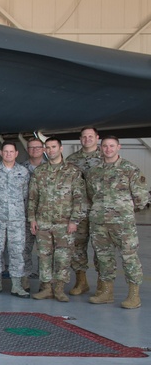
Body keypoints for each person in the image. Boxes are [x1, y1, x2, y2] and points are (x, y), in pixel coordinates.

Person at [86, 136, 150, 308]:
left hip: (123, 223)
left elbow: (142, 198)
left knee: (129, 258)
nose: (108, 149)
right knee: (103, 257)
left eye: (111, 146)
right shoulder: (94, 171)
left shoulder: (130, 169)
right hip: (99, 222)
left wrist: (125, 210)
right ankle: (107, 292)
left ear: (118, 147)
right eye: (105, 146)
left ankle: (133, 295)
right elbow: (91, 195)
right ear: (101, 148)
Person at [28, 137, 86, 303]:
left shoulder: (73, 172)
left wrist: (74, 220)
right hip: (43, 222)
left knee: (63, 257)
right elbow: (33, 197)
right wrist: (32, 219)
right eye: (48, 147)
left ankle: (59, 289)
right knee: (44, 256)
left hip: (64, 223)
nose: (50, 150)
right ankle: (46, 288)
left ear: (60, 148)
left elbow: (79, 198)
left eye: (53, 147)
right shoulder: (40, 172)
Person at [0, 142, 30, 298]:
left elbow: (26, 196)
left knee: (17, 251)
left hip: (16, 219)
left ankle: (17, 285)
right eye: (6, 151)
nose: (9, 154)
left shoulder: (23, 172)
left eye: (12, 151)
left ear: (16, 153)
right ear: (1, 153)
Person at [65, 127, 102, 296]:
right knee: (77, 247)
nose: (87, 139)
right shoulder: (72, 160)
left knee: (102, 249)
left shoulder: (106, 157)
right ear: (80, 139)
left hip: (100, 212)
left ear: (97, 138)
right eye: (84, 137)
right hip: (79, 211)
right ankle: (81, 281)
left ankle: (103, 285)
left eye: (90, 136)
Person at [20, 137, 46, 292]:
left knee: (45, 252)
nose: (34, 150)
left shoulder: (51, 168)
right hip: (24, 216)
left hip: (45, 216)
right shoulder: (21, 169)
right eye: (31, 148)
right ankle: (24, 279)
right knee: (24, 249)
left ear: (43, 149)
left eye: (37, 147)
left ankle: (46, 282)